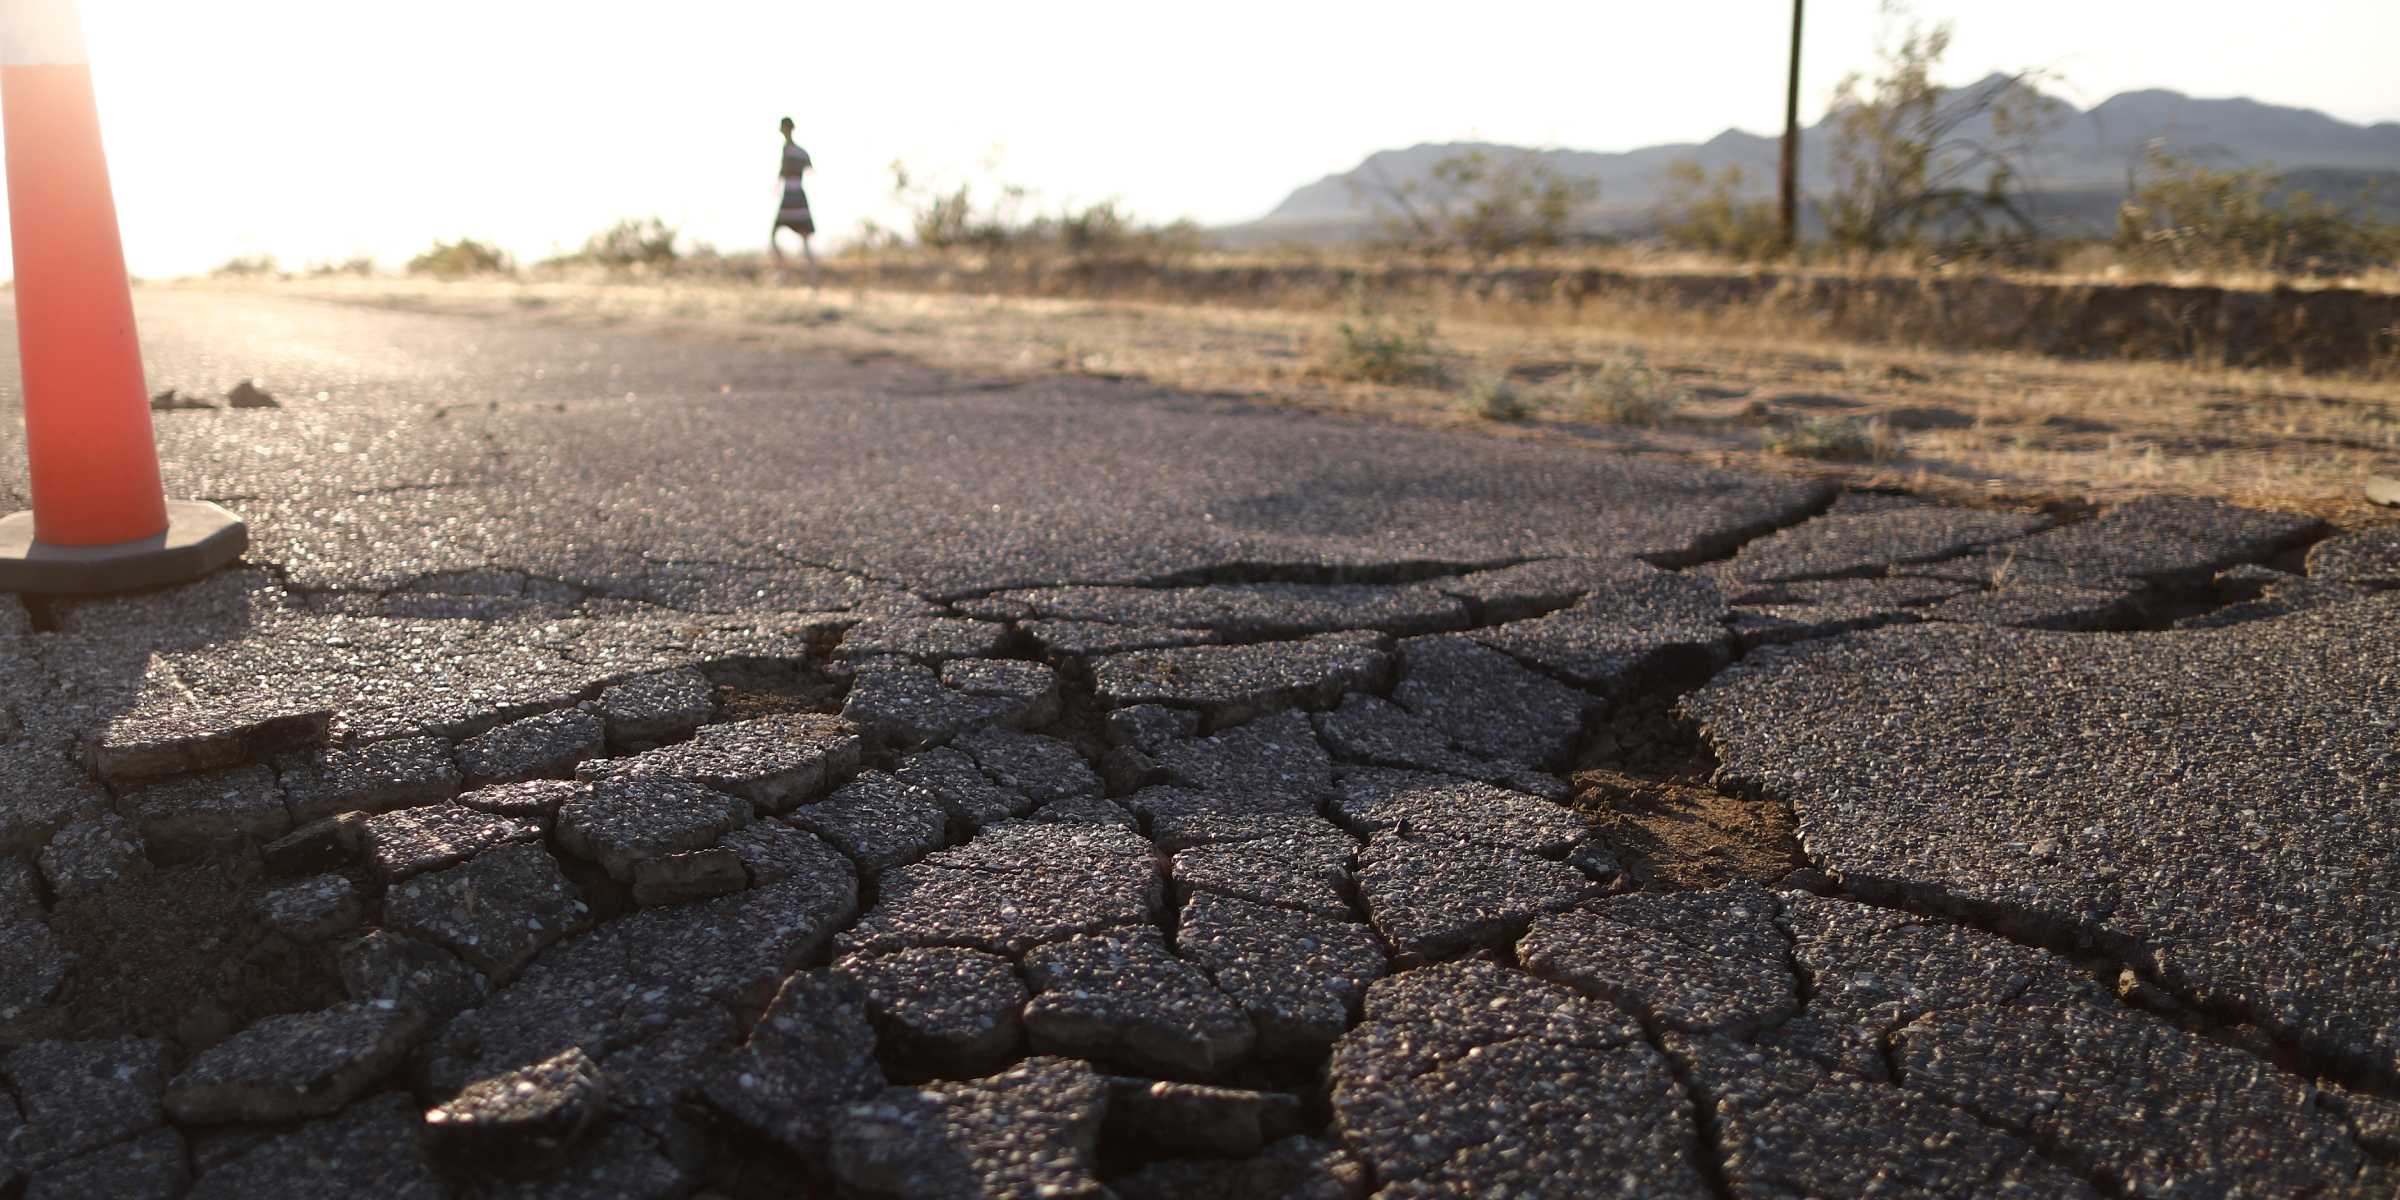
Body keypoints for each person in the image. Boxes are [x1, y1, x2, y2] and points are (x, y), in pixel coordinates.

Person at [769, 117, 818, 288]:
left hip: (791, 196)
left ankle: (786, 271)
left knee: (774, 236)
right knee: (805, 242)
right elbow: (811, 169)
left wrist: (777, 185)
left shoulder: (788, 150)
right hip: (799, 196)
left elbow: (782, 173)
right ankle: (813, 284)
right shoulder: (802, 152)